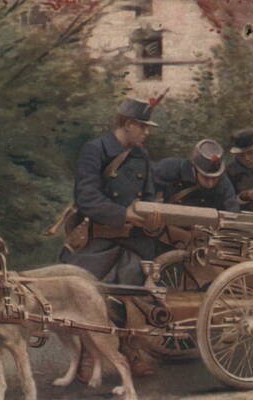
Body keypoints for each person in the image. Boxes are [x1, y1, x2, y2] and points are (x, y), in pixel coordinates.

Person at [59, 97, 164, 377]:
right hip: (100, 237)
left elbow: (151, 196)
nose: (146, 132)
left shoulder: (141, 155)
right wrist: (123, 214)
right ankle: (85, 355)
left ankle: (131, 351)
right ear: (128, 124)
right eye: (143, 127)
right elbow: (86, 197)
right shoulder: (96, 150)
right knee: (84, 292)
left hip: (134, 239)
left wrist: (152, 217)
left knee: (134, 294)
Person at [154, 138, 239, 213]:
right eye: (206, 177)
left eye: (214, 178)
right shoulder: (169, 169)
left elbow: (232, 212)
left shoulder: (224, 184)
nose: (210, 184)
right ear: (194, 168)